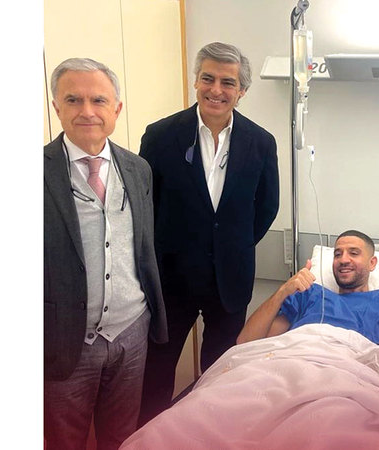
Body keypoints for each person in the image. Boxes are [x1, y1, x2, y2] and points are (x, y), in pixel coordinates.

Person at [138, 42, 280, 425]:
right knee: (156, 372)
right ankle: (148, 438)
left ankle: (211, 435)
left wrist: (231, 245)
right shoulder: (160, 136)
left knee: (221, 373)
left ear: (242, 90)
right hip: (171, 280)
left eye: (227, 82)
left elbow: (267, 207)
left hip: (230, 280)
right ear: (196, 81)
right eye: (208, 79)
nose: (216, 90)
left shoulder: (260, 143)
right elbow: (146, 205)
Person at [44, 57, 168, 450]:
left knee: (122, 435)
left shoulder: (138, 169)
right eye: (73, 100)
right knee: (64, 439)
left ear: (116, 108)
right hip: (64, 338)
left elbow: (144, 246)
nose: (87, 111)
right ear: (56, 107)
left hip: (131, 332)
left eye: (98, 100)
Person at [238, 230, 379, 426]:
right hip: (290, 374)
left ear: (372, 263)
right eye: (338, 254)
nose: (344, 259)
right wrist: (283, 291)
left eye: (353, 253)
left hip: (353, 382)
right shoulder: (309, 296)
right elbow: (246, 342)